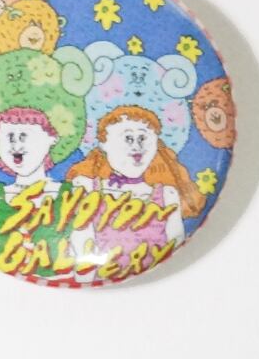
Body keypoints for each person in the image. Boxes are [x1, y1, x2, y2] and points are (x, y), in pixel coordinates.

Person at [0, 106, 94, 277]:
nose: (16, 145)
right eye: (9, 137)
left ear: (52, 139)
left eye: (24, 136)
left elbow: (87, 259)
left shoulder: (73, 194)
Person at [66, 105, 204, 276]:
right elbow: (81, 238)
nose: (137, 146)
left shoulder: (167, 194)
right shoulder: (87, 187)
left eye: (143, 138)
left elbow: (175, 241)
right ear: (104, 144)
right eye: (128, 138)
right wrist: (86, 277)